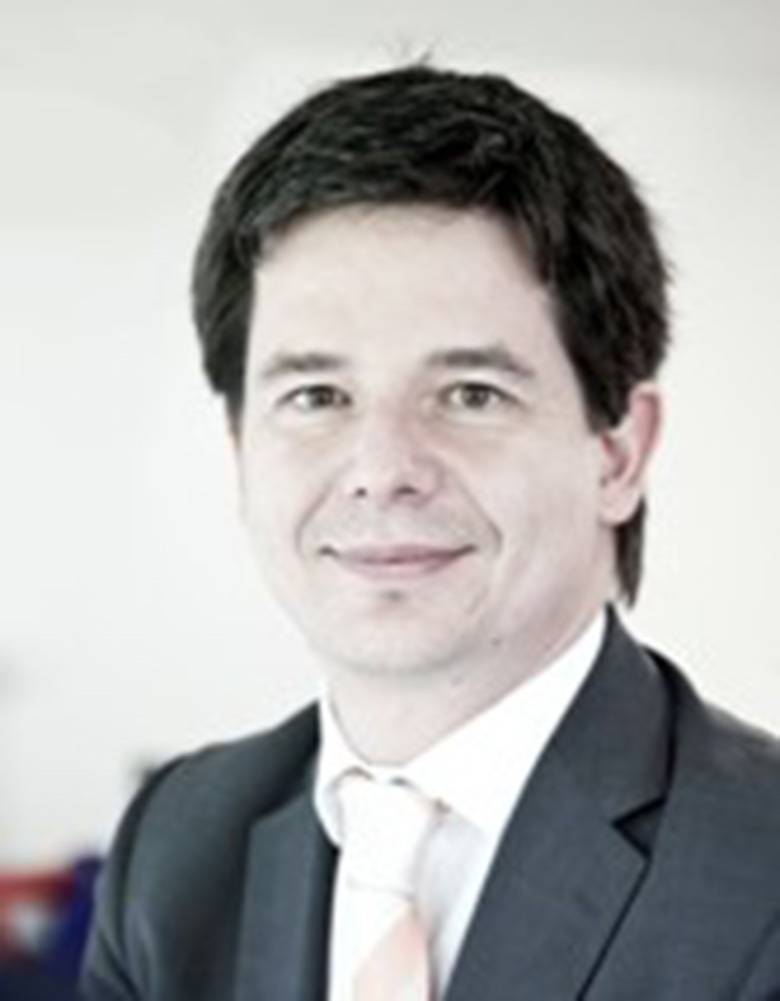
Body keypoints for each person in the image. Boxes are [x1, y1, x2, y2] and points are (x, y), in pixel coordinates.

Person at [80, 64, 780, 1000]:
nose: (381, 468)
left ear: (618, 452)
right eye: (317, 395)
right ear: (241, 449)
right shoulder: (175, 843)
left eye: (470, 393)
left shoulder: (759, 871)